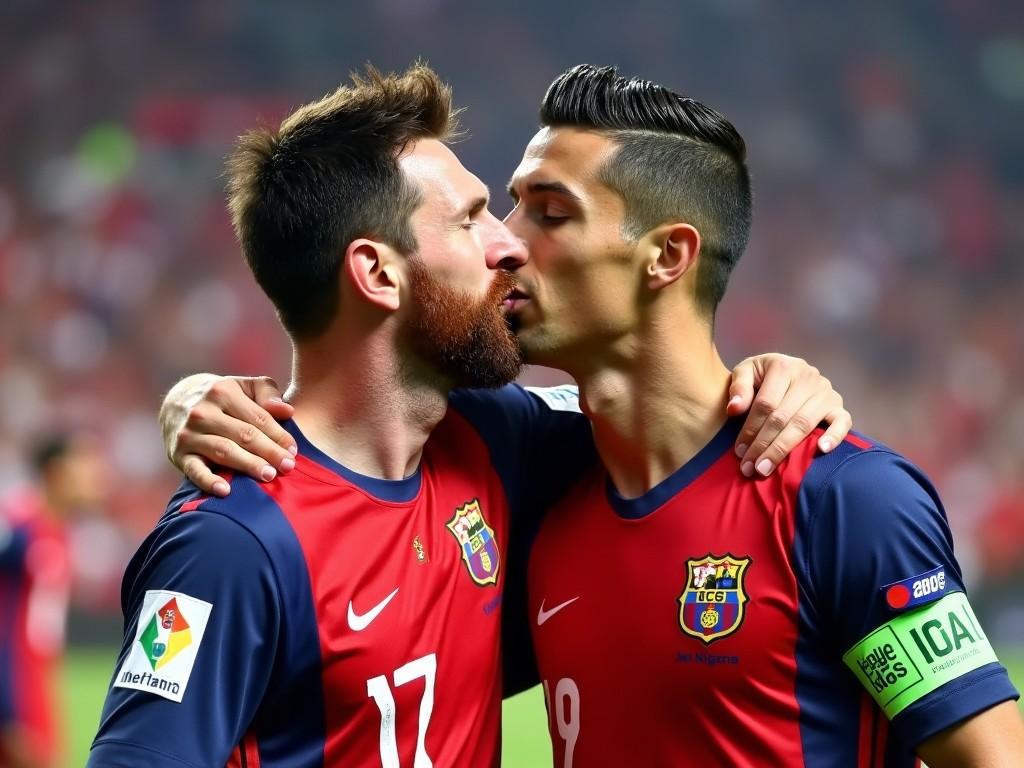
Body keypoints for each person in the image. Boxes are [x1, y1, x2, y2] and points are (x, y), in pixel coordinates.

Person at [170, 65, 1023, 766]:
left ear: (666, 257)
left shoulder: (842, 499)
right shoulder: (527, 481)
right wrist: (192, 400)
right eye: (498, 210)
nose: (505, 242)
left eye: (549, 214)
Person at [1, 435, 104, 768]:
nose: (96, 474)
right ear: (57, 471)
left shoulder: (56, 529)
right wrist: (9, 714)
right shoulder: (17, 528)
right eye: (85, 464)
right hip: (14, 689)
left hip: (37, 681)